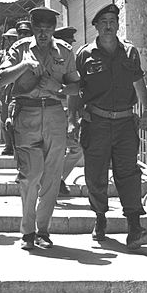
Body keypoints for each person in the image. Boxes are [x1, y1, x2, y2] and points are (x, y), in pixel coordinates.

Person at [75, 3, 147, 251]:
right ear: (96, 27)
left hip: (124, 123)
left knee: (129, 174)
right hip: (97, 123)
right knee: (95, 176)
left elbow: (138, 80)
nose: (109, 25)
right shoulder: (85, 54)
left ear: (117, 24)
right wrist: (73, 116)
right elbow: (76, 87)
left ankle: (134, 228)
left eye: (113, 20)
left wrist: (145, 109)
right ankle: (100, 218)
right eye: (104, 22)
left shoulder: (130, 52)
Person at [0, 6, 80, 250]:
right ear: (32, 27)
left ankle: (42, 231)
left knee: (52, 179)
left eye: (48, 28)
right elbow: (2, 79)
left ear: (54, 28)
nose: (43, 33)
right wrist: (23, 65)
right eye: (38, 28)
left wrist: (58, 88)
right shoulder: (19, 49)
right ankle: (27, 230)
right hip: (27, 114)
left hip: (55, 115)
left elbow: (76, 87)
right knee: (30, 176)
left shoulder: (65, 52)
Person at [53, 26, 83, 197]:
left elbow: (76, 89)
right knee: (55, 151)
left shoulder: (72, 59)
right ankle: (53, 182)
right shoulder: (51, 58)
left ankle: (56, 180)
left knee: (75, 149)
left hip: (67, 111)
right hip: (54, 110)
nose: (69, 46)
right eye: (67, 42)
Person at [0, 28, 19, 155]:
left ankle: (17, 145)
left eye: (15, 38)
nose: (13, 41)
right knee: (4, 118)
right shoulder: (1, 55)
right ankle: (8, 146)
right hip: (4, 91)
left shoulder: (24, 52)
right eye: (11, 38)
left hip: (19, 89)